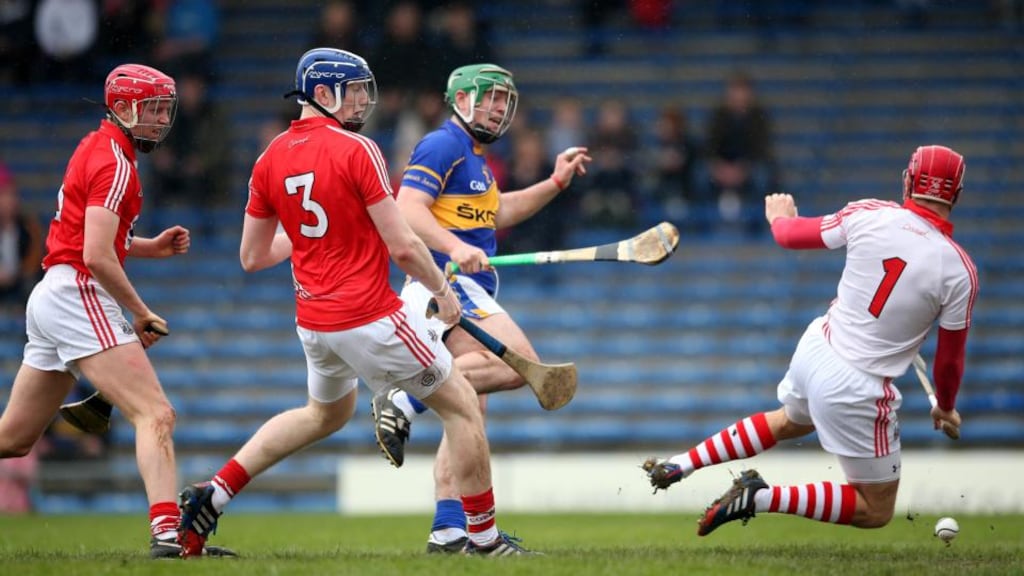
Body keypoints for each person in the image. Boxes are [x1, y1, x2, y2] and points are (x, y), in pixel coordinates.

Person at [175, 48, 532, 558]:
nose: (364, 101)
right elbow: (405, 245)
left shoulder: (268, 158)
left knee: (322, 415)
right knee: (463, 408)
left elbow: (252, 256)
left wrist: (311, 238)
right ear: (322, 94)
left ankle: (214, 493)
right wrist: (441, 290)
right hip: (368, 316)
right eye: (355, 91)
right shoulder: (358, 149)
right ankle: (482, 538)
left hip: (313, 324)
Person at [643, 145, 976, 537]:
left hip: (818, 347)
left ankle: (680, 464)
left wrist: (781, 217)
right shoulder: (959, 270)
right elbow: (950, 362)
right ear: (954, 195)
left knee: (788, 421)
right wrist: (946, 407)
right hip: (858, 386)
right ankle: (759, 498)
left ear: (909, 180)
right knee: (875, 508)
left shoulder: (869, 212)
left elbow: (789, 236)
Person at [0, 63, 233, 558]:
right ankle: (168, 536)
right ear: (123, 108)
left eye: (163, 110)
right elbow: (96, 255)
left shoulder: (98, 146)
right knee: (157, 414)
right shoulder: (116, 162)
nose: (160, 121)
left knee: (15, 438)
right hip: (76, 292)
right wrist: (141, 312)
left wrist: (150, 247)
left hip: (52, 293)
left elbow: (97, 236)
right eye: (151, 110)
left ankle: (169, 535)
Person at [369, 63, 591, 553]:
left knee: (467, 416)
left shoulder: (476, 161)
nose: (497, 108)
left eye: (503, 101)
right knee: (517, 363)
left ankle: (450, 530)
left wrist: (554, 183)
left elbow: (500, 211)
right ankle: (405, 400)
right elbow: (406, 208)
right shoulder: (443, 144)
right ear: (461, 99)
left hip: (464, 288)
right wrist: (455, 247)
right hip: (449, 282)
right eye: (488, 97)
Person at [0, 163, 43, 313]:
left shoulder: (27, 227)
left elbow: (34, 259)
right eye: (3, 195)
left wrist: (16, 274)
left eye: (11, 195)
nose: (8, 201)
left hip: (20, 285)